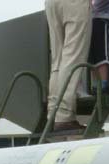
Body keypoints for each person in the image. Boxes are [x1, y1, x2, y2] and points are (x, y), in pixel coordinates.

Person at [45, 0, 92, 132]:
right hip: (74, 4)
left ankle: (53, 114)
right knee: (72, 58)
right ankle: (64, 117)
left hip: (52, 4)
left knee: (57, 61)